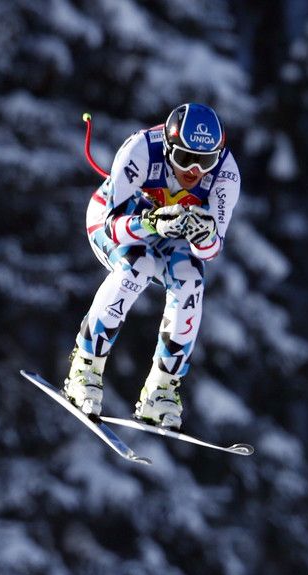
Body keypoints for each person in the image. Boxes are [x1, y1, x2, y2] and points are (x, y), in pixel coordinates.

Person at [64, 102, 241, 430]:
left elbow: (211, 251)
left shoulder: (226, 173)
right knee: (138, 265)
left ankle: (161, 390)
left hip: (172, 234)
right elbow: (111, 226)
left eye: (205, 161)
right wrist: (150, 222)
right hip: (121, 222)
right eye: (185, 158)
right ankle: (85, 368)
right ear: (169, 147)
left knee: (190, 279)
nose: (194, 171)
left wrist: (204, 236)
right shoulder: (141, 149)